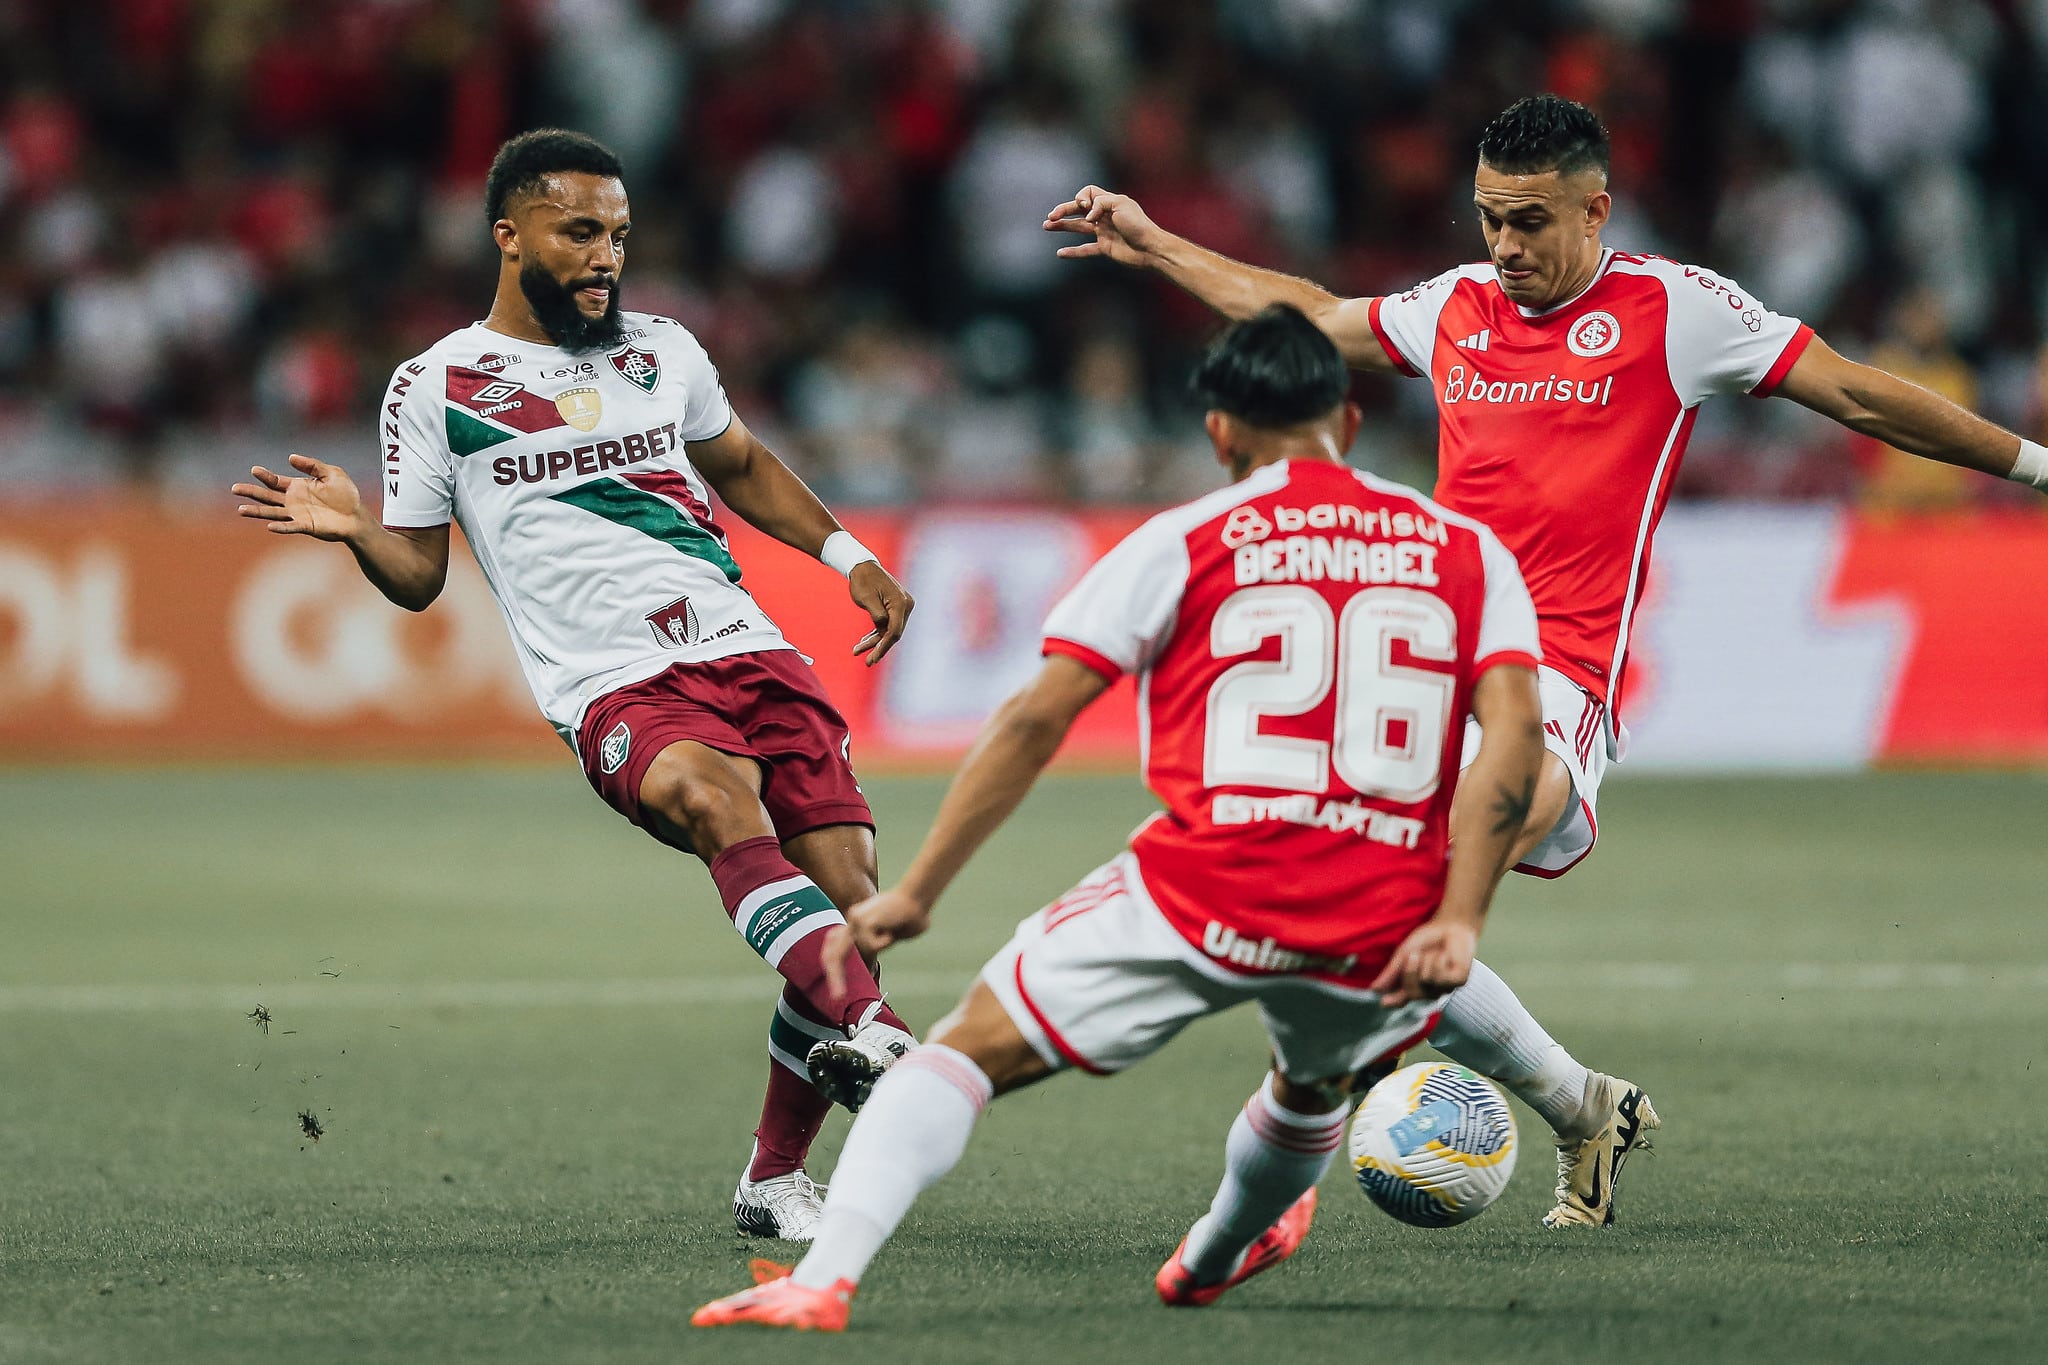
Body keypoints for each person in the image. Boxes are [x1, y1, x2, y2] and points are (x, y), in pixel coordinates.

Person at [1038, 94, 2048, 1227]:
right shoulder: (1457, 305)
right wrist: (1154, 245)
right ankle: (1582, 1107)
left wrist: (2035, 467)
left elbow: (1856, 392)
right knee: (1355, 907)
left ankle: (1289, 1156)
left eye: (1528, 222)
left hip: (1553, 684)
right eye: (1487, 219)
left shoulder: (1674, 310)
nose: (1504, 247)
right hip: (1422, 677)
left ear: (1595, 210)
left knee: (1384, 896)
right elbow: (1314, 317)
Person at [691, 304, 1547, 1331]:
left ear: (1219, 432)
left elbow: (1033, 720)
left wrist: (917, 891)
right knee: (1310, 1093)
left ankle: (822, 1281)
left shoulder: (1182, 539)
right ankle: (1212, 1256)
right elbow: (1513, 741)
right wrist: (1461, 914)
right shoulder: (1466, 549)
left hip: (1200, 889)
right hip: (1380, 915)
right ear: (1350, 422)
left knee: (960, 1055)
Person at [229, 129, 921, 1240]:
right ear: (510, 235)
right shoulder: (436, 384)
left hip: (745, 646)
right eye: (581, 233)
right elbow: (419, 576)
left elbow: (740, 464)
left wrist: (849, 557)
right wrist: (357, 532)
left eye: (620, 236)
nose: (607, 257)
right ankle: (882, 1035)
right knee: (713, 798)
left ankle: (772, 1180)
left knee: (852, 902)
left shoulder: (664, 350)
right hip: (611, 677)